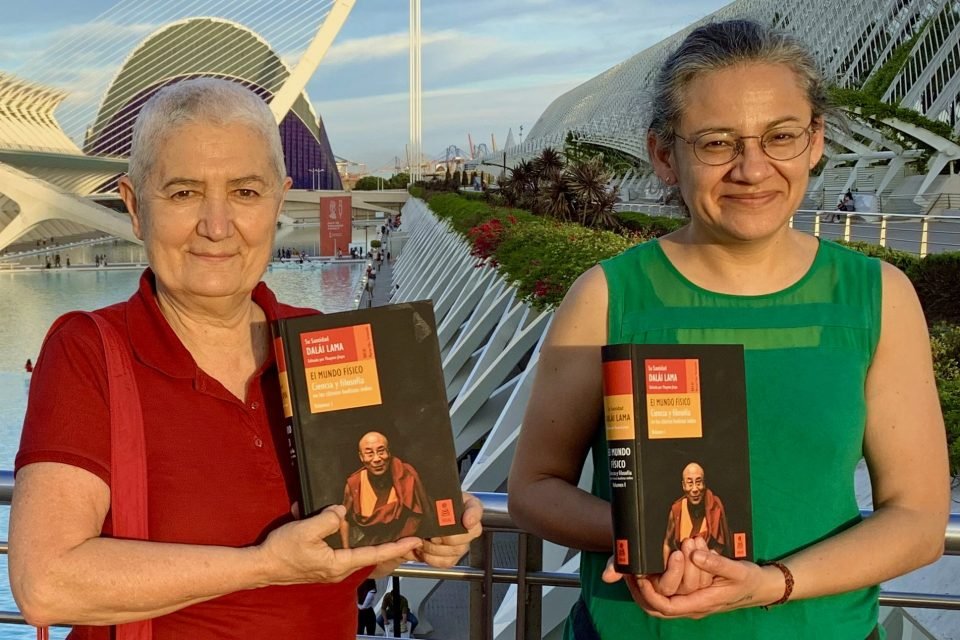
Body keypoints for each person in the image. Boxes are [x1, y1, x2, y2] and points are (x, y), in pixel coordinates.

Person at [508, 19, 948, 640]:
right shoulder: (610, 297)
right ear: (665, 155)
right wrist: (657, 536)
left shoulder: (877, 298)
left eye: (781, 136)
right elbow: (533, 488)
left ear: (816, 140)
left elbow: (919, 517)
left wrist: (773, 583)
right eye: (717, 143)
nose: (752, 168)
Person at [9, 78, 483, 640]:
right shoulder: (89, 350)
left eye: (245, 193)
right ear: (135, 208)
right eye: (183, 193)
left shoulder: (327, 343)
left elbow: (349, 551)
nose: (216, 225)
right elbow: (46, 584)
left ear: (279, 202)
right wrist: (264, 565)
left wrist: (423, 533)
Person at [341, 432, 429, 548]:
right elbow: (343, 519)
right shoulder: (354, 484)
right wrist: (346, 550)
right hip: (370, 547)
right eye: (369, 454)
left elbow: (425, 511)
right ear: (361, 457)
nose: (377, 459)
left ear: (389, 452)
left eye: (381, 451)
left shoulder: (405, 475)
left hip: (406, 545)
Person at [662, 463, 729, 567]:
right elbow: (667, 543)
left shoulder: (714, 506)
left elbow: (721, 545)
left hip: (709, 566)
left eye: (698, 483)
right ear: (683, 486)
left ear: (704, 484)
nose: (695, 489)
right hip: (683, 567)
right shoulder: (677, 510)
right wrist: (666, 571)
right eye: (690, 483)